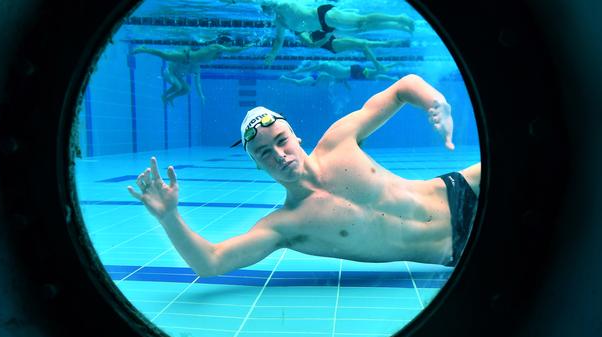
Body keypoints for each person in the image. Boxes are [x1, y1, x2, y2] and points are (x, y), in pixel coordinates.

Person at [128, 74, 480, 278]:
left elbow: (403, 87)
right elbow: (212, 262)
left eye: (281, 141)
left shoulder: (338, 142)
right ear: (257, 165)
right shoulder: (284, 226)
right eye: (264, 153)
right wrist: (169, 217)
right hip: (454, 250)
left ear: (296, 136)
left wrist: (436, 102)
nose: (279, 155)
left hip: (460, 189)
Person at [247, 1, 414, 65]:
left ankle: (398, 17)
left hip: (323, 14)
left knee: (361, 21)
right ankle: (397, 26)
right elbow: (278, 40)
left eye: (267, 8)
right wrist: (272, 55)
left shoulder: (282, 5)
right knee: (361, 28)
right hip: (325, 26)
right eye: (266, 11)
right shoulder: (281, 22)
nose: (268, 13)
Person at [132, 41, 249, 105]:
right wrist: (244, 48)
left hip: (179, 71)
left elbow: (197, 83)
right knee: (166, 58)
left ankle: (168, 98)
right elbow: (231, 50)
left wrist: (201, 95)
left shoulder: (198, 67)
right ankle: (143, 49)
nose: (220, 55)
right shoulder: (214, 47)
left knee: (186, 89)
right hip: (180, 61)